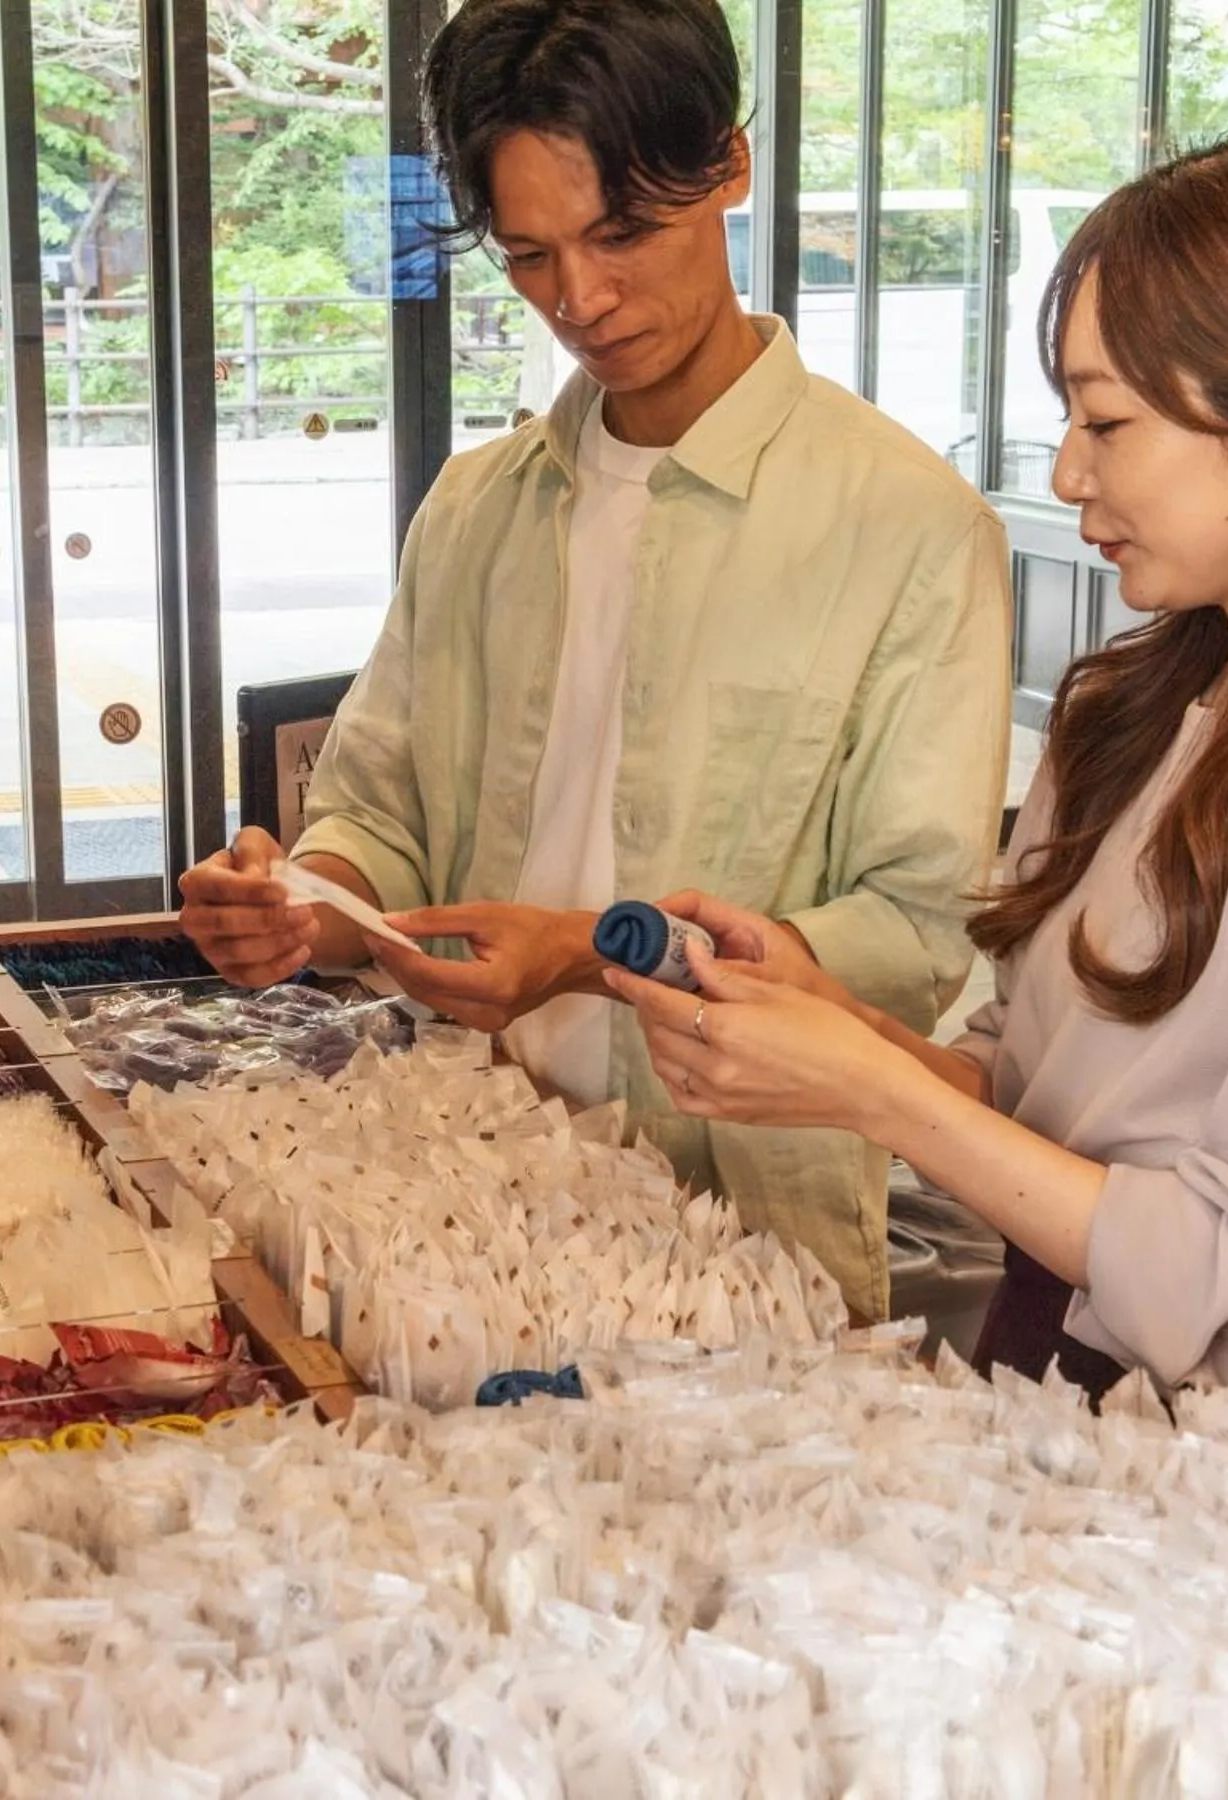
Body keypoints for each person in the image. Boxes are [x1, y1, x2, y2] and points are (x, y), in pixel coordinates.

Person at [607, 127, 1228, 1470]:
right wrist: (835, 1031)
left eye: (1107, 422)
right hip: (1055, 1398)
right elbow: (1047, 1105)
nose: (1072, 474)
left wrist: (884, 1098)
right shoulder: (1143, 710)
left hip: (1226, 1471)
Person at [177, 0, 1012, 1318]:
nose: (582, 298)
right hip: (454, 1195)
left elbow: (916, 936)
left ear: (728, 166)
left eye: (624, 232)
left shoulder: (907, 525)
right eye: (529, 257)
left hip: (743, 1242)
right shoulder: (474, 507)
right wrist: (308, 898)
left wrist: (579, 952)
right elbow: (377, 808)